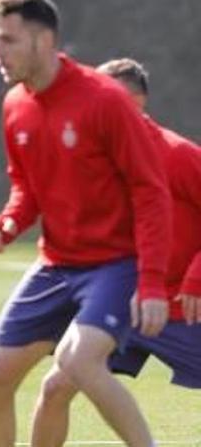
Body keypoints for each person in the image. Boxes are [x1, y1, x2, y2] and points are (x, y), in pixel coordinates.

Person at [0, 0, 172, 447]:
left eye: (7, 40)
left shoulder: (104, 99)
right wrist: (7, 224)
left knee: (79, 362)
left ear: (43, 42)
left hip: (116, 264)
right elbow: (27, 187)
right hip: (56, 264)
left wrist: (154, 282)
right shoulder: (15, 105)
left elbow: (151, 191)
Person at [30, 58, 201, 447]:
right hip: (123, 303)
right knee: (57, 385)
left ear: (137, 103)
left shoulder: (178, 155)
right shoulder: (97, 164)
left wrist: (196, 278)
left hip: (183, 307)